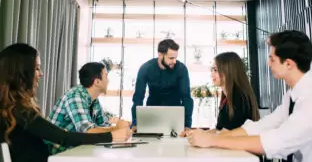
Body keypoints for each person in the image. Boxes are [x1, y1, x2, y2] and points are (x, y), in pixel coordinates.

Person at [187, 30, 312, 162]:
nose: (268, 63)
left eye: (272, 59)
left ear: (289, 64)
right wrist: (214, 138)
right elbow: (262, 126)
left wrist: (213, 140)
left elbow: (278, 142)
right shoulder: (292, 96)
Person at [0, 43, 132, 162]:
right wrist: (111, 135)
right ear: (22, 73)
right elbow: (64, 137)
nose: (41, 74)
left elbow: (101, 121)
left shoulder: (14, 108)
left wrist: (118, 128)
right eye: (37, 68)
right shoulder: (20, 110)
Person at [47, 62, 130, 154]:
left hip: (75, 149)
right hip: (57, 152)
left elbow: (103, 124)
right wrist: (117, 129)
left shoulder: (93, 100)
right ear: (97, 82)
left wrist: (126, 125)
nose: (108, 80)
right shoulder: (75, 97)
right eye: (106, 76)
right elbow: (88, 131)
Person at [131, 39, 194, 130]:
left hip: (175, 116)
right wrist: (135, 122)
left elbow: (186, 98)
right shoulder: (146, 68)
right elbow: (138, 97)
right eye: (171, 58)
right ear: (160, 55)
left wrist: (187, 125)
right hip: (152, 115)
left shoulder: (181, 69)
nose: (174, 61)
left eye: (176, 58)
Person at [208, 52, 260, 133]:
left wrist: (203, 136)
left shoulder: (239, 97)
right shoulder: (228, 96)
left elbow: (225, 133)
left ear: (228, 70)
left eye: (215, 70)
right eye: (212, 70)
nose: (211, 74)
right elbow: (219, 130)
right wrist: (195, 133)